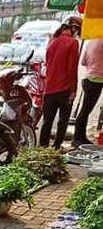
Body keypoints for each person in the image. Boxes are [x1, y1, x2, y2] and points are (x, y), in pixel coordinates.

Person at [39, 14, 81, 150]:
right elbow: (72, 69)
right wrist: (73, 90)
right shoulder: (73, 43)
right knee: (63, 121)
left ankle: (42, 148)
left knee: (47, 122)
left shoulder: (52, 43)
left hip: (49, 88)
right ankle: (57, 147)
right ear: (73, 28)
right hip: (64, 89)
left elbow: (48, 64)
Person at [72, 36, 103, 149]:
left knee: (86, 110)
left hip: (89, 78)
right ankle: (76, 138)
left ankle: (81, 137)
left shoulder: (91, 41)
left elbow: (83, 62)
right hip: (96, 79)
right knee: (85, 110)